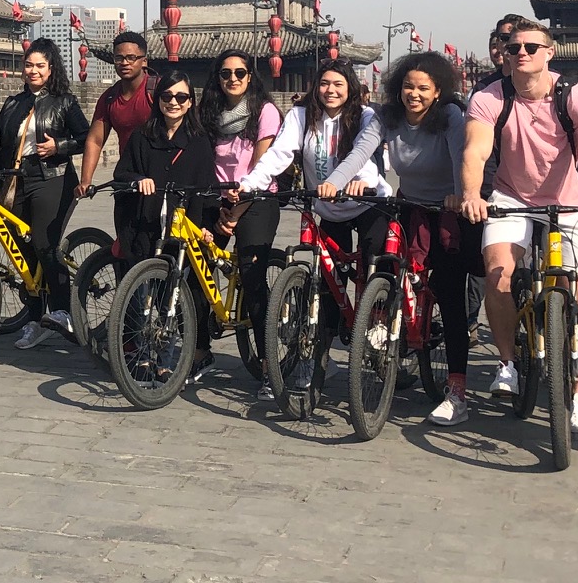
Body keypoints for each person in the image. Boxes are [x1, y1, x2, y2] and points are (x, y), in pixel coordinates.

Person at [459, 18, 578, 438]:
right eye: (513, 48)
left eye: (530, 46)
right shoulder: (490, 97)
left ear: (549, 52)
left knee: (572, 297)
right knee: (498, 273)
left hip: (568, 200)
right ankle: (506, 364)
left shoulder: (576, 96)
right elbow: (475, 149)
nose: (520, 53)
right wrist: (472, 193)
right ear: (504, 55)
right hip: (511, 198)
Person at [239, 60, 386, 395]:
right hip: (327, 209)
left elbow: (365, 154)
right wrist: (251, 183)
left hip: (366, 203)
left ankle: (375, 322)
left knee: (372, 262)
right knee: (326, 282)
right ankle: (319, 354)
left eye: (338, 84)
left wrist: (360, 182)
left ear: (349, 87)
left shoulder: (364, 117)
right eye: (323, 83)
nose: (330, 90)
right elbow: (279, 154)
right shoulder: (301, 116)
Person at [0, 37, 90, 342]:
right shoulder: (14, 103)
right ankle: (36, 317)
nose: (33, 70)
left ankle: (63, 311)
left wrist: (59, 145)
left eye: (40, 65)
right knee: (20, 248)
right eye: (28, 64)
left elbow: (86, 137)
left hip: (52, 178)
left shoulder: (64, 102)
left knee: (43, 242)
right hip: (17, 180)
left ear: (51, 68)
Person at [375, 51, 475, 424]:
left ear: (437, 93)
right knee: (385, 264)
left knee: (449, 294)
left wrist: (459, 193)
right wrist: (335, 184)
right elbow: (359, 153)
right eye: (407, 86)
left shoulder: (449, 117)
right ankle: (384, 331)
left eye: (422, 88)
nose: (412, 94)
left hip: (449, 210)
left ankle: (457, 388)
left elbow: (459, 157)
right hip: (411, 206)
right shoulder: (389, 116)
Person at [196, 49, 283, 347]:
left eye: (239, 73)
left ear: (250, 76)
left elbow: (262, 166)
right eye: (225, 73)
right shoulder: (207, 111)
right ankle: (197, 352)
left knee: (252, 276)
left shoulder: (265, 111)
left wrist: (235, 211)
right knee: (195, 268)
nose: (232, 78)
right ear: (217, 78)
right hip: (218, 199)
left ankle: (267, 362)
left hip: (257, 199)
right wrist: (220, 207)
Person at [115, 67, 210, 266]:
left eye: (181, 97)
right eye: (167, 96)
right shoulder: (141, 136)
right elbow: (121, 174)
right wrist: (140, 180)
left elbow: (208, 187)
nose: (173, 102)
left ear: (190, 102)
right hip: (146, 225)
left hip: (184, 230)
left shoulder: (199, 142)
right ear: (158, 100)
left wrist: (206, 226)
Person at [77, 30, 157, 244]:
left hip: (158, 176)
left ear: (144, 61)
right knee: (125, 242)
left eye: (131, 58)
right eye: (119, 57)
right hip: (127, 178)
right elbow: (95, 139)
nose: (125, 62)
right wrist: (86, 180)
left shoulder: (156, 91)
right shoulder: (110, 97)